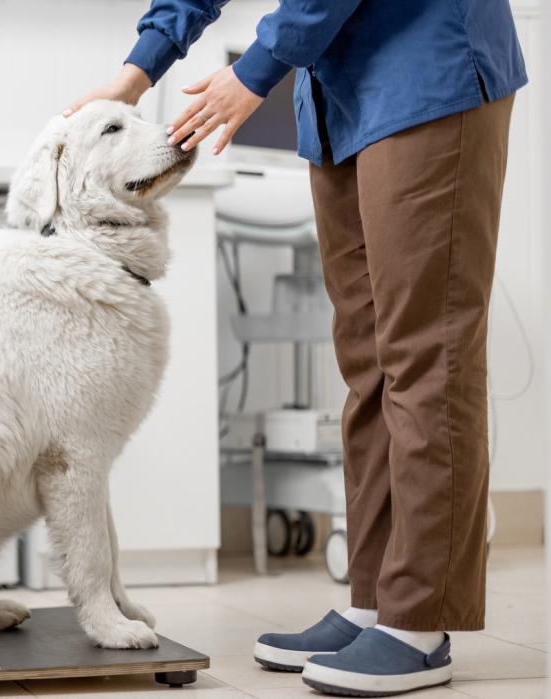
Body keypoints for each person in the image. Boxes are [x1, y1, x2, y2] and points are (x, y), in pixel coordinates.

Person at [69, 1, 526, 696]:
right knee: (369, 363)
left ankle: (420, 621)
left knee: (426, 354)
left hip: (426, 69)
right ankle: (373, 598)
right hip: (340, 93)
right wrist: (137, 72)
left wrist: (254, 71)